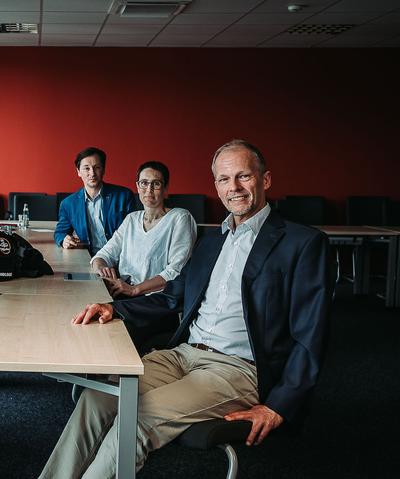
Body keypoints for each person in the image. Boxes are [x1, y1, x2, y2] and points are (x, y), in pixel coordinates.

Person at [39, 140, 334, 477]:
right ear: (216, 187)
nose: (234, 187)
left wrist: (281, 405)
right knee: (96, 399)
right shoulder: (212, 241)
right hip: (182, 355)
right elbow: (171, 297)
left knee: (137, 419)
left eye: (243, 177)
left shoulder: (302, 243)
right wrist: (115, 309)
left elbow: (312, 333)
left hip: (237, 369)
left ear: (265, 180)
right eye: (224, 179)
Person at [91, 161, 196, 299]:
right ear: (138, 187)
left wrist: (135, 289)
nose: (149, 189)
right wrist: (102, 270)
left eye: (156, 183)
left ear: (165, 189)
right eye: (144, 183)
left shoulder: (180, 217)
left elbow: (176, 271)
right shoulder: (131, 219)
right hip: (123, 292)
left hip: (155, 298)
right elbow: (103, 255)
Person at [54, 147, 136, 255]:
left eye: (97, 167)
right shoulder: (68, 204)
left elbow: (134, 232)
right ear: (78, 172)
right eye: (86, 168)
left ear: (103, 170)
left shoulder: (124, 196)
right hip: (88, 257)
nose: (92, 173)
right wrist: (64, 239)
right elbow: (60, 232)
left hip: (120, 256)